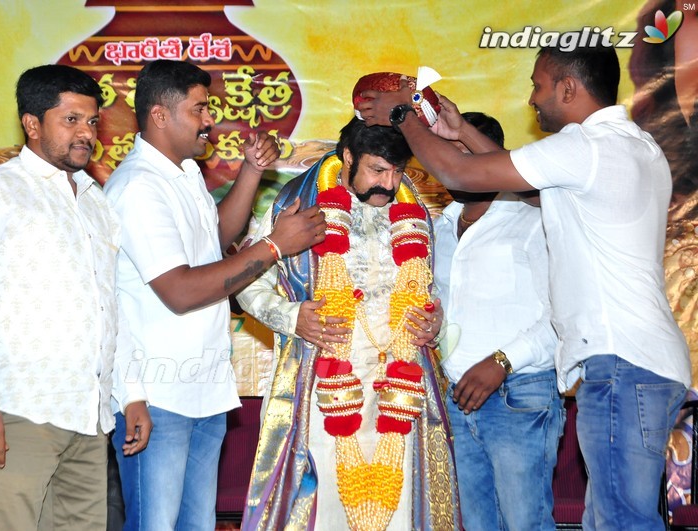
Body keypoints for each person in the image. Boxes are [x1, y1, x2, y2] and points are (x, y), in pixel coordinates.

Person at [356, 45, 691, 531]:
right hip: (637, 362)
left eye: (537, 86)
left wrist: (404, 115)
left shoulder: (587, 147)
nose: (532, 100)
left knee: (620, 522)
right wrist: (460, 130)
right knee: (610, 519)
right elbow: (527, 186)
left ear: (568, 88)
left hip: (622, 362)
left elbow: (461, 173)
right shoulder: (631, 145)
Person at [103, 59, 325, 531]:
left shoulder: (182, 174)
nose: (210, 121)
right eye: (200, 109)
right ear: (160, 115)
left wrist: (250, 171)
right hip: (156, 395)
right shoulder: (139, 187)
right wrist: (273, 248)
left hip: (202, 390)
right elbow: (181, 291)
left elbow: (216, 238)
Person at [0, 64, 152, 530]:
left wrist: (131, 393)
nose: (86, 134)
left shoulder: (97, 203)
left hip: (89, 416)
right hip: (17, 410)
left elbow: (110, 309)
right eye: (70, 120)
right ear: (32, 124)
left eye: (91, 122)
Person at [236, 116, 460, 530]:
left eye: (397, 172)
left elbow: (434, 290)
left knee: (403, 509)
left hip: (401, 381)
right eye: (377, 170)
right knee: (326, 507)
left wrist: (435, 320)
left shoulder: (414, 213)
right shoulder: (297, 202)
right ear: (348, 157)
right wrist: (292, 317)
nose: (389, 185)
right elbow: (247, 281)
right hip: (324, 383)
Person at [434, 111, 562, 530]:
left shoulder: (535, 222)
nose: (452, 167)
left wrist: (501, 361)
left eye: (463, 156)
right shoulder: (437, 229)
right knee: (475, 524)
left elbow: (561, 316)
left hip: (519, 394)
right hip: (456, 398)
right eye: (445, 156)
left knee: (525, 524)